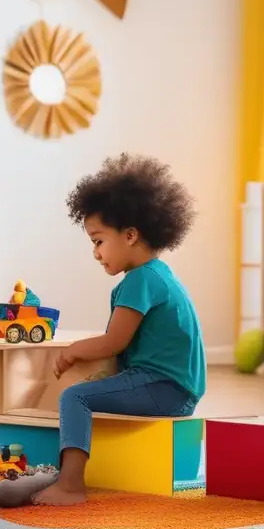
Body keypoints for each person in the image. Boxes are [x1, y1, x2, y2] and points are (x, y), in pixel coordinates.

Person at [33, 153, 205, 506]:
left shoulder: (140, 281)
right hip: (175, 386)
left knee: (74, 396)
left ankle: (70, 484)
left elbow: (114, 342)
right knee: (93, 388)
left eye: (98, 241)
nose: (95, 253)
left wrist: (72, 350)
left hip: (164, 387)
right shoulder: (158, 274)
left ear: (130, 235)